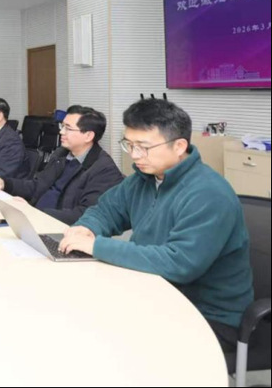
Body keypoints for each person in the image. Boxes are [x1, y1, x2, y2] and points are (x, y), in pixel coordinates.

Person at [59, 98, 253, 346]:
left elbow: (179, 263)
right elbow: (106, 210)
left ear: (179, 146)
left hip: (206, 316)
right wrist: (86, 228)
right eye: (129, 145)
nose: (134, 155)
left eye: (143, 147)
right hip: (152, 291)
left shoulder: (209, 193)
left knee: (103, 338)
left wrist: (96, 246)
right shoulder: (144, 177)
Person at [0, 105, 123, 224]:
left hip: (62, 230)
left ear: (88, 136)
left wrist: (33, 213)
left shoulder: (104, 169)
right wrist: (5, 183)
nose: (61, 132)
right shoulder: (61, 154)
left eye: (68, 128)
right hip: (36, 220)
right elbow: (37, 186)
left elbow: (85, 214)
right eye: (62, 126)